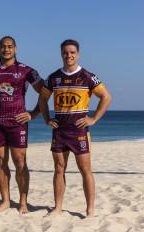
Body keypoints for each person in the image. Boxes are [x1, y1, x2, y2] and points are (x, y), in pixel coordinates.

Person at [39, 39, 112, 217]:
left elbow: (106, 97)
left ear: (77, 54)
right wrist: (47, 119)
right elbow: (42, 99)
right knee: (59, 169)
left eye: (72, 52)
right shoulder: (54, 77)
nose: (69, 55)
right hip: (60, 130)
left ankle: (90, 210)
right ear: (61, 54)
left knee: (85, 170)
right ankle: (57, 208)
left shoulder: (87, 76)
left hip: (79, 131)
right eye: (65, 52)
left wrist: (93, 118)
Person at [0, 36, 43, 214]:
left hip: (17, 122)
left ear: (15, 49)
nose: (6, 50)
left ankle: (23, 201)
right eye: (3, 47)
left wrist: (34, 113)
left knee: (20, 162)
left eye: (10, 47)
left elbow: (45, 91)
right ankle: (5, 200)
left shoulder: (26, 70)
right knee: (0, 162)